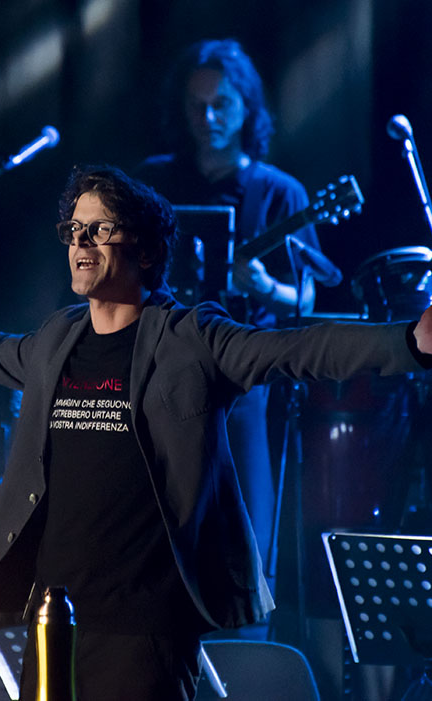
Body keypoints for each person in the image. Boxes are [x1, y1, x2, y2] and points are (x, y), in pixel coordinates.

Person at [0, 165, 432, 700]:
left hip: (145, 626)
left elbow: (295, 346)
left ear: (147, 248)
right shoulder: (57, 338)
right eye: (73, 229)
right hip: (53, 615)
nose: (79, 243)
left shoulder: (191, 339)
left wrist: (408, 340)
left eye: (98, 229)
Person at [135, 39, 324, 594]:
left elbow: (308, 300)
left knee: (243, 540)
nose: (208, 118)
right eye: (197, 106)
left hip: (242, 388)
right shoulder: (153, 183)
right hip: (156, 378)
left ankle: (246, 659)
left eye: (220, 104)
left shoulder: (279, 192)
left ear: (246, 107)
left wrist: (266, 287)